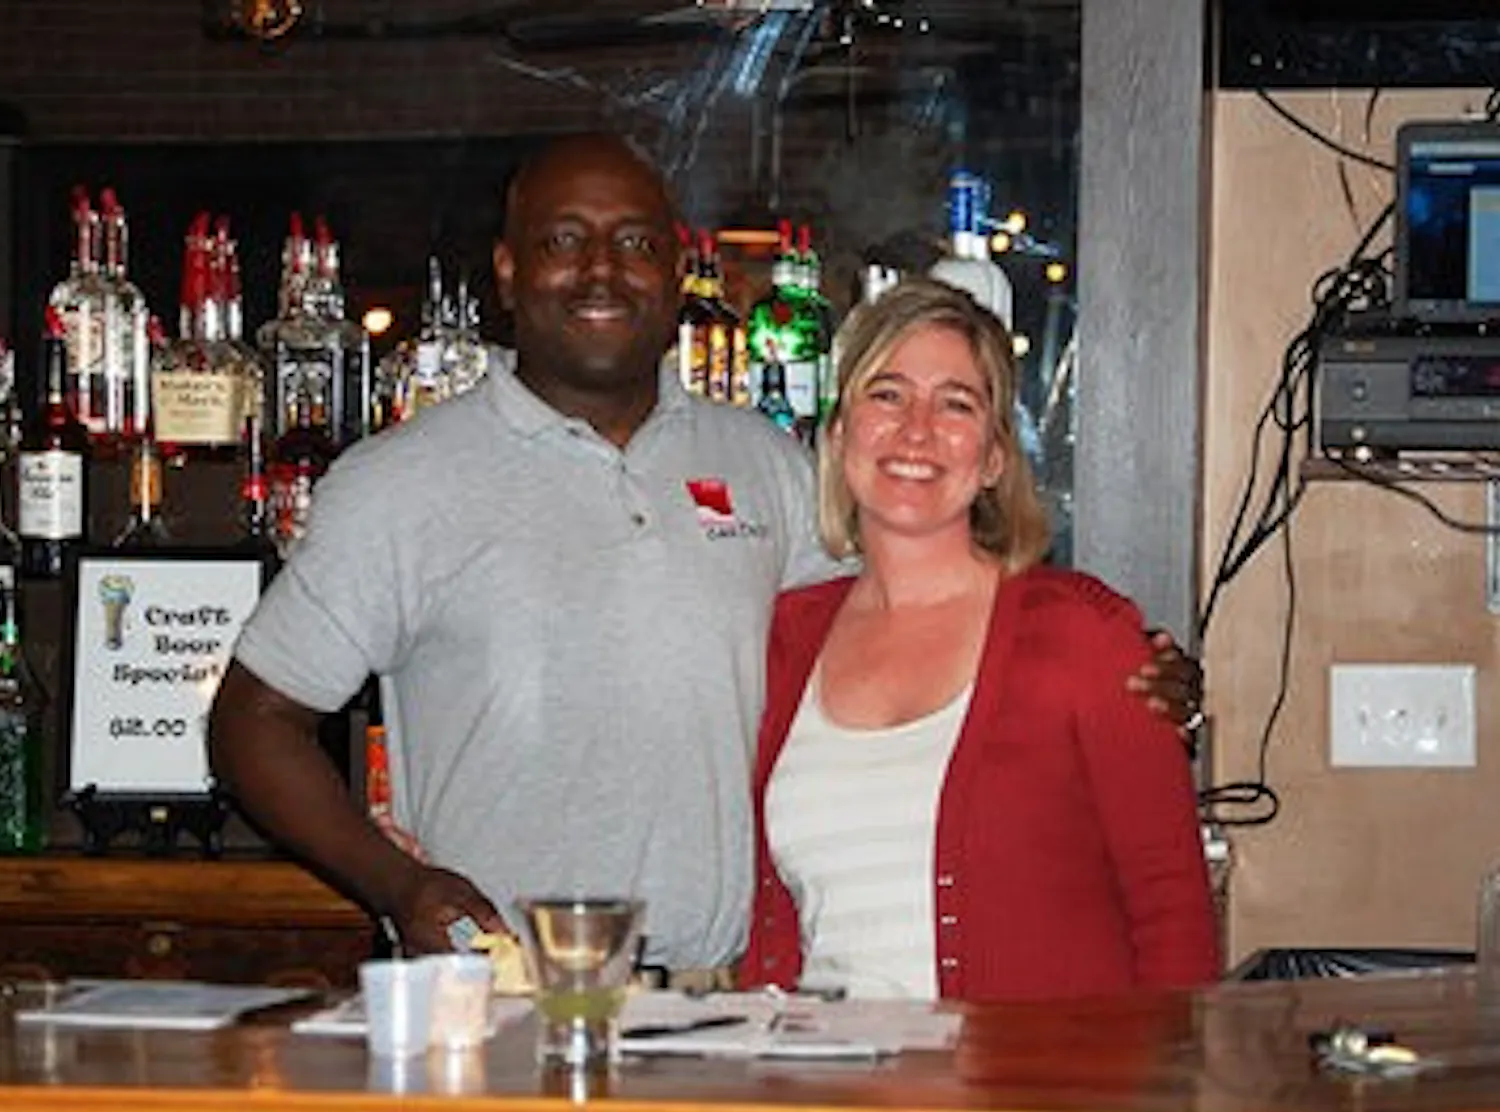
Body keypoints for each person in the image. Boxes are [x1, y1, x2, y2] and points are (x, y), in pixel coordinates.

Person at [208, 133, 1202, 974]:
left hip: (727, 1009)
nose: (601, 269)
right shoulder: (400, 485)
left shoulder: (762, 463)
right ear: (506, 273)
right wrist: (400, 884)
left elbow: (916, 612)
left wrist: (1132, 673)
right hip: (507, 1000)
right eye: (563, 241)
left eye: (635, 243)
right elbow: (252, 722)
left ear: (675, 272)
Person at [738, 278, 1219, 1002]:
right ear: (838, 435)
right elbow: (772, 927)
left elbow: (1171, 907)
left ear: (995, 457)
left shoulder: (1085, 636)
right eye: (887, 394)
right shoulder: (784, 638)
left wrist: (1160, 1100)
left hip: (1043, 1101)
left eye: (957, 403)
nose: (917, 429)